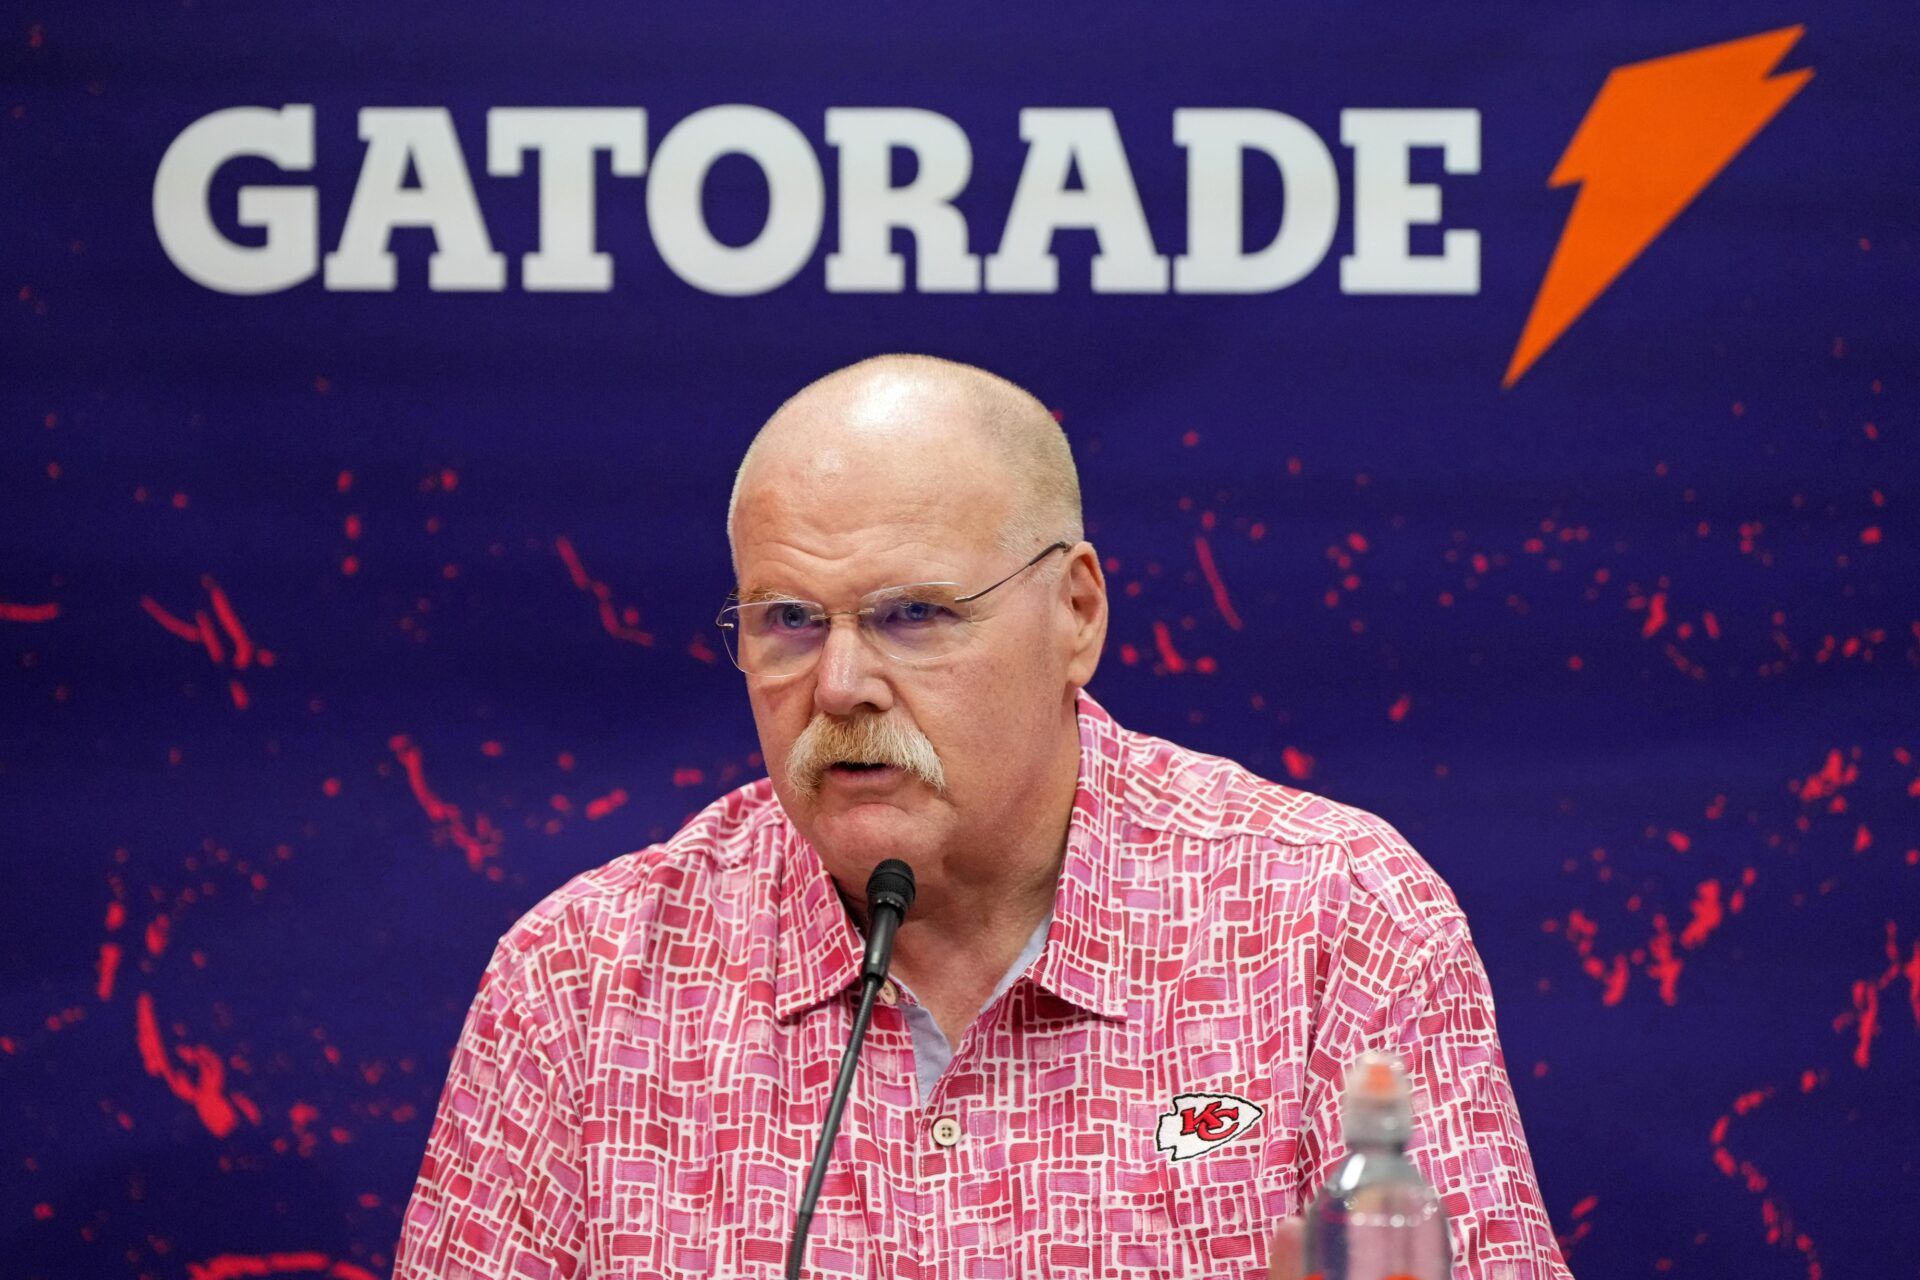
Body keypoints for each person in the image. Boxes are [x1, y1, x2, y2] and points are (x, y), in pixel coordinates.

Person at [389, 354, 1574, 1279]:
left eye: (912, 614)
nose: (841, 684)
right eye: (789, 618)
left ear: (1076, 613)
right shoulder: (584, 984)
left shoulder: (1329, 924)